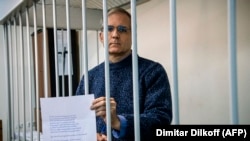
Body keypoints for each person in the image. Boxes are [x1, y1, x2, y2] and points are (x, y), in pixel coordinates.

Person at [75, 7, 172, 141]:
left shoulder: (152, 71)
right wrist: (92, 136)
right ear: (101, 37)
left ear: (132, 36)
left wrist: (118, 122)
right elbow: (79, 118)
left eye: (122, 29)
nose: (115, 35)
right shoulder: (90, 77)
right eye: (109, 29)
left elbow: (161, 119)